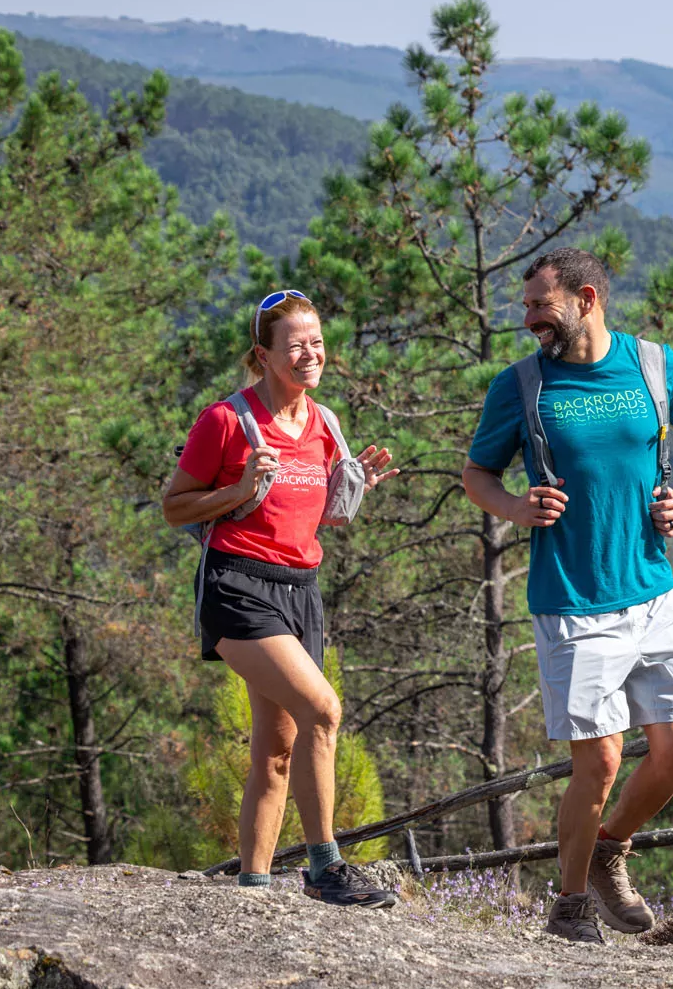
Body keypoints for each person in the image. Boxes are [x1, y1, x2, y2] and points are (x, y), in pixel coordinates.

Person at [463, 247, 673, 944]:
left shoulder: (654, 367)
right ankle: (570, 903)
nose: (527, 320)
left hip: (652, 590)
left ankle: (609, 849)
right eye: (525, 307)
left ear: (585, 298)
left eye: (538, 306)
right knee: (600, 760)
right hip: (573, 599)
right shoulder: (519, 387)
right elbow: (477, 474)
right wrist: (515, 507)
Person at [162, 289, 399, 907]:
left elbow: (322, 519)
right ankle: (325, 867)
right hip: (237, 585)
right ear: (262, 355)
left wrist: (356, 487)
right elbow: (175, 506)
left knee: (277, 749)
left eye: (316, 343)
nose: (308, 354)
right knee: (324, 710)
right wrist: (238, 486)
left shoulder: (324, 423)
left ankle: (252, 889)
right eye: (293, 344)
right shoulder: (225, 420)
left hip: (301, 591)